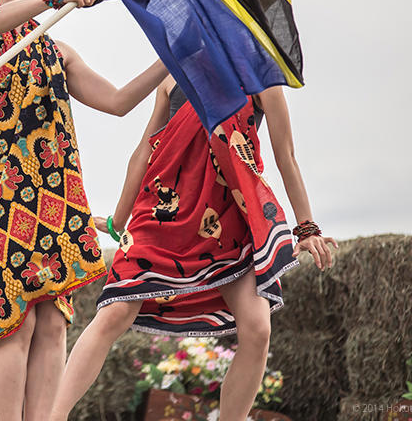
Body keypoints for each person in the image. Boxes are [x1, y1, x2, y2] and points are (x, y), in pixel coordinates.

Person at [0, 0, 168, 421]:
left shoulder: (57, 49)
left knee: (52, 322)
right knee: (18, 320)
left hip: (52, 187)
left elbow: (115, 101)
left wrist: (170, 58)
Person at [47, 77, 339, 421]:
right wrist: (118, 218)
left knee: (258, 330)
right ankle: (53, 417)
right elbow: (145, 150)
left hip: (226, 219)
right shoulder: (171, 74)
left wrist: (306, 226)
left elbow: (285, 153)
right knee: (114, 313)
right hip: (161, 212)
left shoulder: (260, 74)